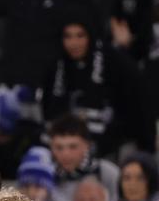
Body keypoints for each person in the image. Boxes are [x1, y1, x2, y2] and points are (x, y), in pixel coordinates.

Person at [39, 14, 151, 156]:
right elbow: (48, 112)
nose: (74, 43)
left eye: (80, 36)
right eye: (68, 36)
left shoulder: (114, 62)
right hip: (63, 146)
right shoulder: (55, 65)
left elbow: (136, 106)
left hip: (111, 146)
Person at [47, 114, 120, 201]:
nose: (65, 154)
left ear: (87, 145)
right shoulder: (46, 175)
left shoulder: (107, 172)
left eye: (73, 147)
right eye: (59, 147)